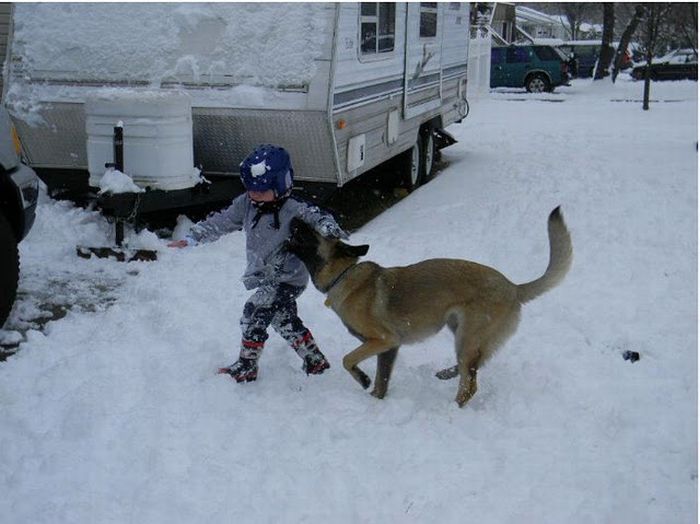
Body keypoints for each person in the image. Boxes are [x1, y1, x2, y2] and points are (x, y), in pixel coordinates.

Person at [168, 144, 347, 383]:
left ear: (281, 185)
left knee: (253, 313)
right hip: (265, 277)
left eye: (262, 191)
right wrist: (193, 237)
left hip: (287, 279)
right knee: (283, 319)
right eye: (251, 189)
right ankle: (315, 360)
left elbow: (317, 216)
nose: (255, 195)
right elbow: (222, 220)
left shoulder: (293, 209)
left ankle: (247, 366)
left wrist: (328, 226)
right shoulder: (247, 204)